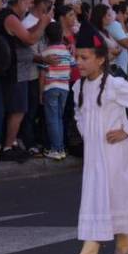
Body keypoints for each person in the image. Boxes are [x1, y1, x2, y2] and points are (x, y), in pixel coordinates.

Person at [60, 21, 128, 254]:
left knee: (104, 198)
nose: (79, 61)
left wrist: (127, 131)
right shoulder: (78, 86)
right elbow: (78, 113)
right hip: (94, 155)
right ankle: (124, 246)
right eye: (77, 56)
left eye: (84, 57)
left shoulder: (115, 85)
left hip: (114, 155)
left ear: (100, 60)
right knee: (108, 198)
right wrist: (87, 134)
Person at [0, 0, 51, 161]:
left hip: (18, 70)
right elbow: (29, 39)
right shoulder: (10, 18)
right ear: (19, 0)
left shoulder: (12, 17)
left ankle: (10, 143)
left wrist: (38, 25)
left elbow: (26, 34)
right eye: (27, 2)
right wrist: (43, 23)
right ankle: (7, 146)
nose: (29, 6)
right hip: (15, 71)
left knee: (18, 109)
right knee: (18, 110)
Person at [40, 21, 74, 161]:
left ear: (46, 37)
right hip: (65, 87)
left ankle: (56, 148)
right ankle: (60, 148)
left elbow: (42, 74)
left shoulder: (46, 53)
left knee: (52, 119)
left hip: (50, 87)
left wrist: (40, 93)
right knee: (59, 118)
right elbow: (73, 64)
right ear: (61, 35)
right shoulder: (66, 51)